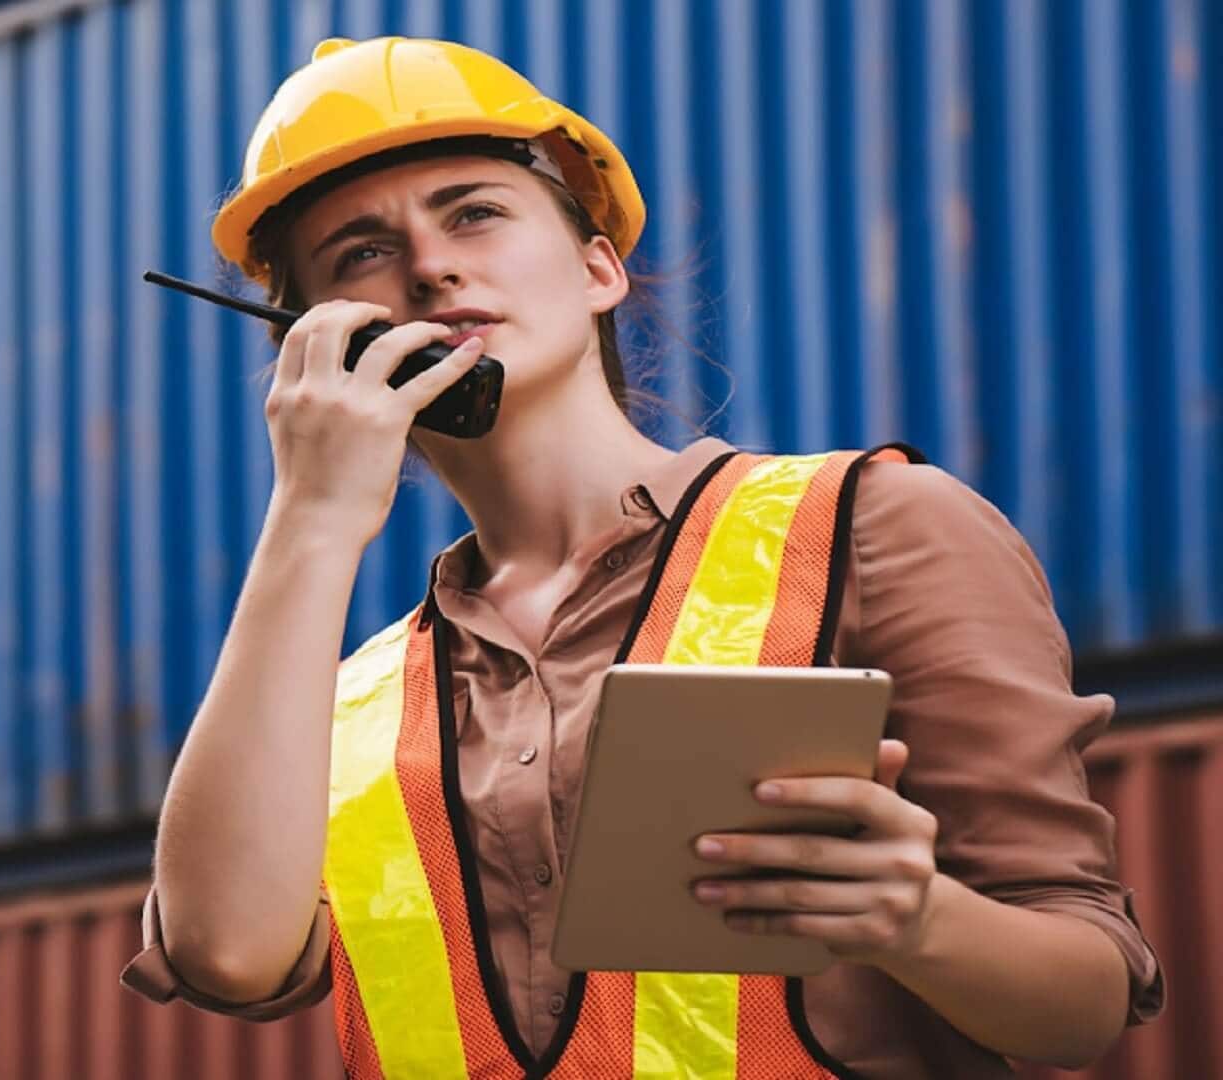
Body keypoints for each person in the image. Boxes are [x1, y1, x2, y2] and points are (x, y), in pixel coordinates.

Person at [122, 36, 1161, 1079]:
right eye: (359, 252)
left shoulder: (879, 526)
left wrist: (917, 919)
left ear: (596, 265)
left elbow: (1085, 1005)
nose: (432, 265)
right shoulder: (338, 705)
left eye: (474, 212)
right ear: (315, 342)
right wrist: (310, 515)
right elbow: (225, 960)